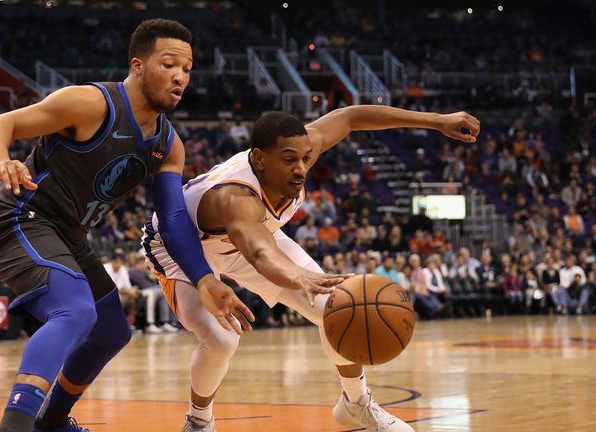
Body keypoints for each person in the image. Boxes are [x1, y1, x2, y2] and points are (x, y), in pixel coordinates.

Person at [0, 19, 254, 432]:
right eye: (169, 64)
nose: (180, 77)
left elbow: (173, 218)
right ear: (138, 66)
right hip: (21, 219)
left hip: (70, 237)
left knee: (111, 331)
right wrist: (0, 159)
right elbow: (1, 124)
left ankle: (51, 423)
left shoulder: (168, 144)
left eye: (187, 68)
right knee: (74, 311)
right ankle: (14, 425)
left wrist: (203, 278)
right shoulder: (91, 103)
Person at [143, 107, 479, 431]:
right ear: (259, 159)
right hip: (182, 246)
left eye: (305, 158)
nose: (301, 168)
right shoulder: (235, 198)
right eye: (290, 160)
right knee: (221, 339)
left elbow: (351, 117)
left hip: (253, 235)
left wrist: (437, 121)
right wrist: (298, 275)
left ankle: (355, 401)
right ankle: (199, 421)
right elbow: (260, 254)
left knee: (338, 305)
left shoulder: (300, 150)